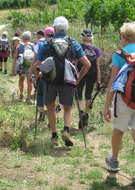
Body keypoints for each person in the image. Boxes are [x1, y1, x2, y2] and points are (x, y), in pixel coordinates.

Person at [33, 16, 91, 146]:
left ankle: (54, 135)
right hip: (68, 81)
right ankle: (66, 129)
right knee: (68, 107)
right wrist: (77, 79)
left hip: (49, 81)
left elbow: (36, 66)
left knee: (51, 107)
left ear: (54, 28)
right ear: (67, 29)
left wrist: (38, 78)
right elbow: (87, 65)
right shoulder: (73, 43)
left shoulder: (47, 43)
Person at [103, 22, 135, 183]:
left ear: (124, 37)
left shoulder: (120, 54)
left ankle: (115, 161)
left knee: (118, 131)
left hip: (124, 99)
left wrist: (106, 106)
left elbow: (113, 82)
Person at [75, 29, 101, 129]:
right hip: (92, 75)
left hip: (80, 74)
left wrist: (75, 76)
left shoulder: (79, 48)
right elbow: (98, 68)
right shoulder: (96, 49)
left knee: (78, 94)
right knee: (88, 95)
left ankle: (81, 113)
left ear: (82, 37)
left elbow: (76, 63)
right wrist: (99, 82)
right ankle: (87, 114)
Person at [29, 27, 55, 122]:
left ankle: (41, 113)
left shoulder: (39, 44)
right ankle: (52, 117)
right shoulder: (57, 44)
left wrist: (33, 73)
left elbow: (34, 59)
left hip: (41, 72)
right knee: (51, 95)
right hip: (53, 73)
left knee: (40, 93)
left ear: (44, 35)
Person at [12, 31, 34, 103]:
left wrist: (13, 67)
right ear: (30, 38)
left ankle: (21, 94)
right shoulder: (33, 46)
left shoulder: (19, 46)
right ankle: (28, 97)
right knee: (29, 81)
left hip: (21, 65)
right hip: (30, 66)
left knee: (21, 80)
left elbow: (15, 57)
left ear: (23, 38)